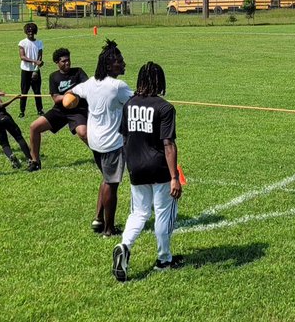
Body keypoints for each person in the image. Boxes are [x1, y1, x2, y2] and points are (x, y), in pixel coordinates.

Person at [110, 62, 183, 282]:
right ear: (159, 81)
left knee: (138, 213)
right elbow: (168, 144)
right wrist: (174, 177)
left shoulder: (129, 104)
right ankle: (164, 259)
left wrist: (131, 165)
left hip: (136, 167)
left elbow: (124, 138)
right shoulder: (165, 108)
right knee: (163, 212)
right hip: (159, 167)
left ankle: (124, 245)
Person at [64, 40, 131, 236]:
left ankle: (98, 218)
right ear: (109, 65)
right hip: (112, 143)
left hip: (95, 141)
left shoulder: (90, 83)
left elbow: (72, 92)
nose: (123, 63)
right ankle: (109, 229)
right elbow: (138, 102)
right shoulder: (118, 86)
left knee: (106, 179)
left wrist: (70, 98)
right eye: (120, 61)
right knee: (112, 184)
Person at [27, 48, 90, 172]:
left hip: (77, 110)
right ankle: (35, 161)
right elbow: (56, 98)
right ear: (57, 62)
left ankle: (103, 155)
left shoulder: (78, 72)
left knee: (83, 133)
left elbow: (87, 87)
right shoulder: (54, 77)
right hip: (60, 110)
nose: (67, 63)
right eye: (64, 61)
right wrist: (68, 95)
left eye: (68, 60)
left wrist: (74, 94)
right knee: (34, 127)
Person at [18, 23, 45, 117]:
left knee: (37, 92)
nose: (30, 33)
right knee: (24, 92)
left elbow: (40, 57)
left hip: (35, 71)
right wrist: (35, 61)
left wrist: (36, 69)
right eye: (28, 31)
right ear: (26, 32)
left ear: (35, 32)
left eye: (32, 31)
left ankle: (40, 110)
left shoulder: (39, 43)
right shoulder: (22, 43)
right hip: (25, 70)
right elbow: (22, 57)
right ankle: (22, 111)